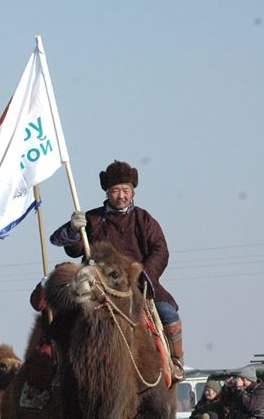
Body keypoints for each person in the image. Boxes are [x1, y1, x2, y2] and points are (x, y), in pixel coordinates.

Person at [50, 160, 184, 379]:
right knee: (63, 318)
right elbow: (68, 247)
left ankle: (175, 360)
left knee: (168, 314)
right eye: (115, 191)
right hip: (98, 287)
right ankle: (59, 367)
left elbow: (160, 250)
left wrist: (143, 276)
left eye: (125, 190)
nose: (121, 196)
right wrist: (73, 229)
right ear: (107, 192)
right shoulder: (92, 219)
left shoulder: (144, 219)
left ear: (133, 192)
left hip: (138, 284)